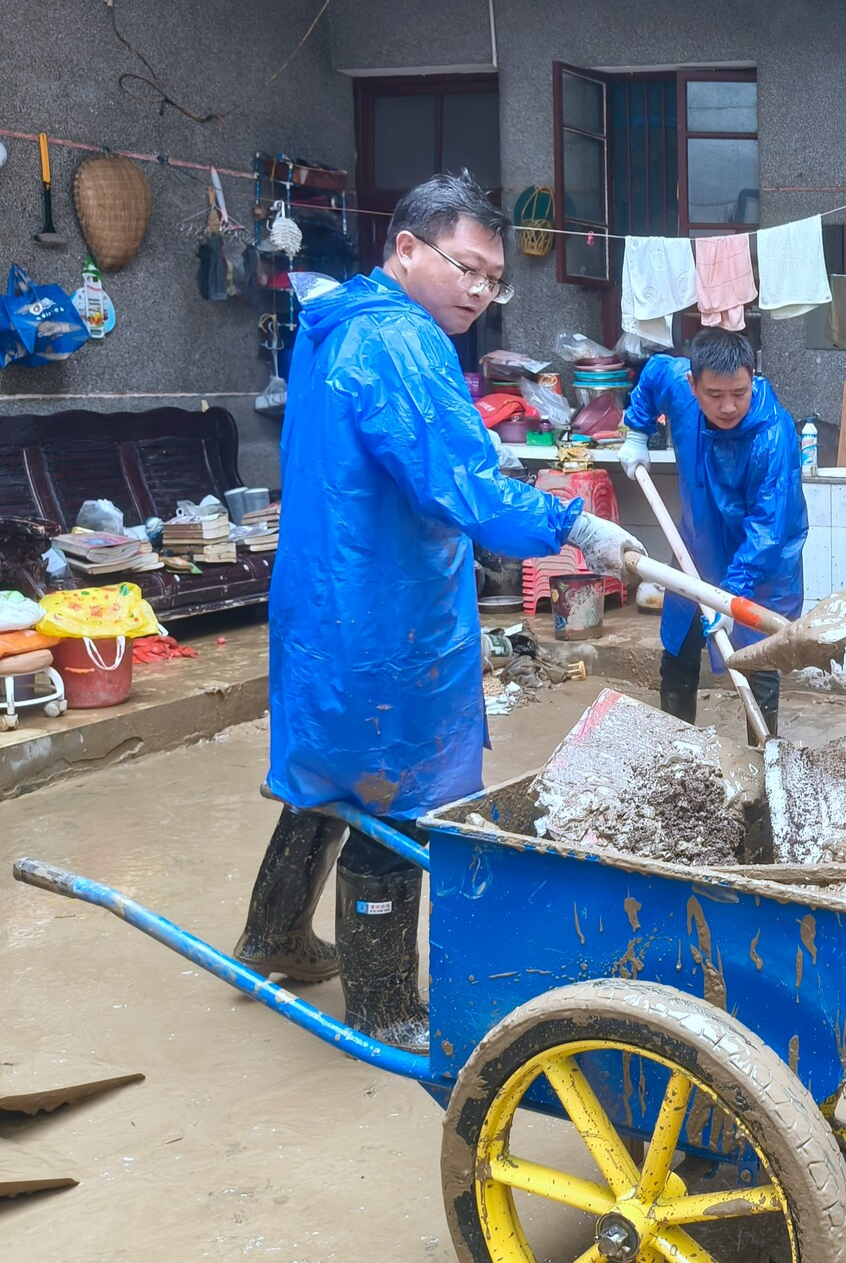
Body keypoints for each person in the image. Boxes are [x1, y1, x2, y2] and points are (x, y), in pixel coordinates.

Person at [231, 173, 645, 1054]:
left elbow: (411, 456)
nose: (479, 290)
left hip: (323, 603)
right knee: (398, 793)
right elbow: (466, 490)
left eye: (493, 280)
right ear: (407, 248)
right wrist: (576, 523)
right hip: (385, 616)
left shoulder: (335, 325)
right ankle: (383, 1004)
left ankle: (271, 936)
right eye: (466, 267)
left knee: (326, 774)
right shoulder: (400, 343)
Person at [618, 328, 806, 737]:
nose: (728, 406)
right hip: (697, 549)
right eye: (715, 395)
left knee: (758, 660)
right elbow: (652, 373)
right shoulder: (679, 386)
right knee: (680, 652)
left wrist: (729, 596)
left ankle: (762, 758)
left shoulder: (772, 437)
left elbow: (767, 531)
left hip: (759, 567)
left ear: (754, 379)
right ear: (693, 384)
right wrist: (636, 430)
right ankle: (678, 757)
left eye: (739, 393)